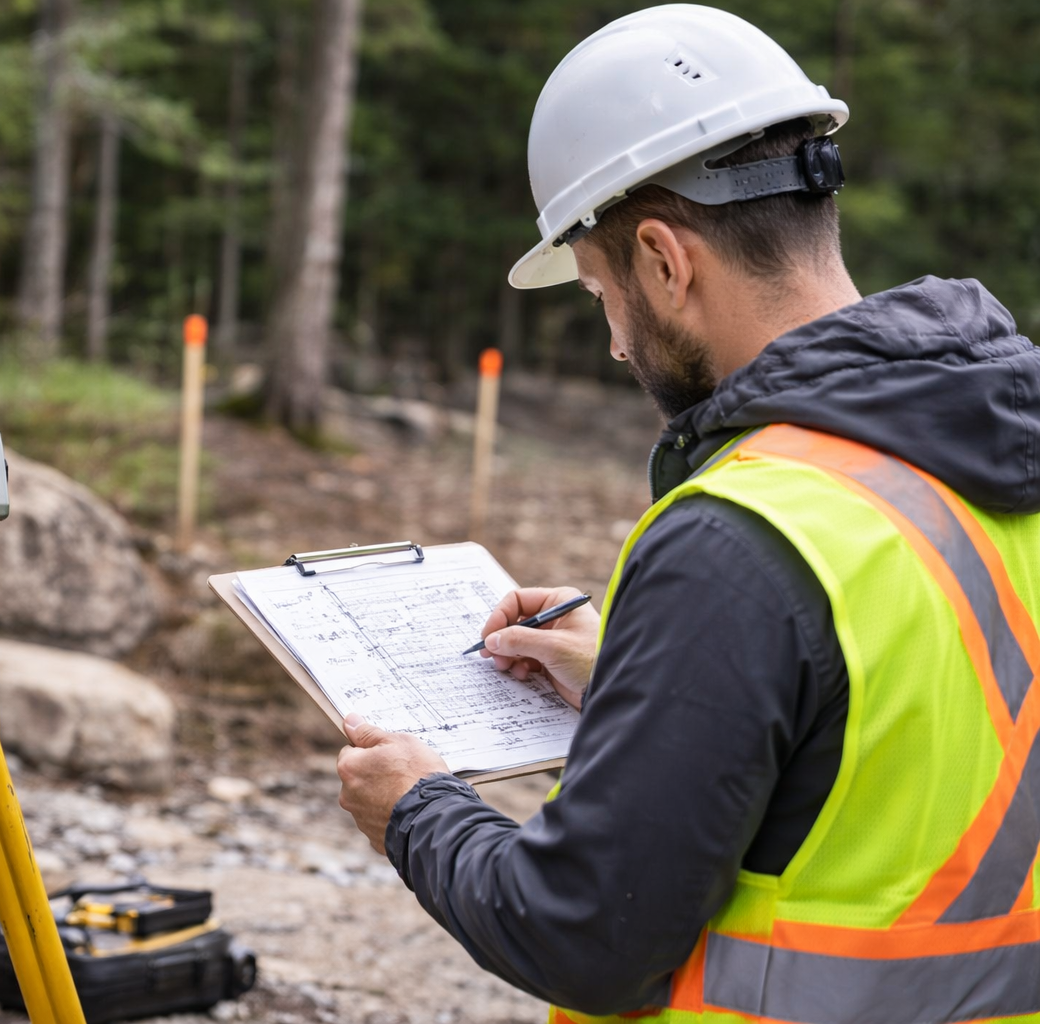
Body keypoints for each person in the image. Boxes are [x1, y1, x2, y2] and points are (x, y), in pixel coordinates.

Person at [334, 6, 1040, 1022]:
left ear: (664, 261)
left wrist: (415, 809)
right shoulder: (984, 449)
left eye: (598, 296)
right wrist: (642, 680)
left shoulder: (740, 536)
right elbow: (911, 735)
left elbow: (583, 934)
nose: (618, 346)